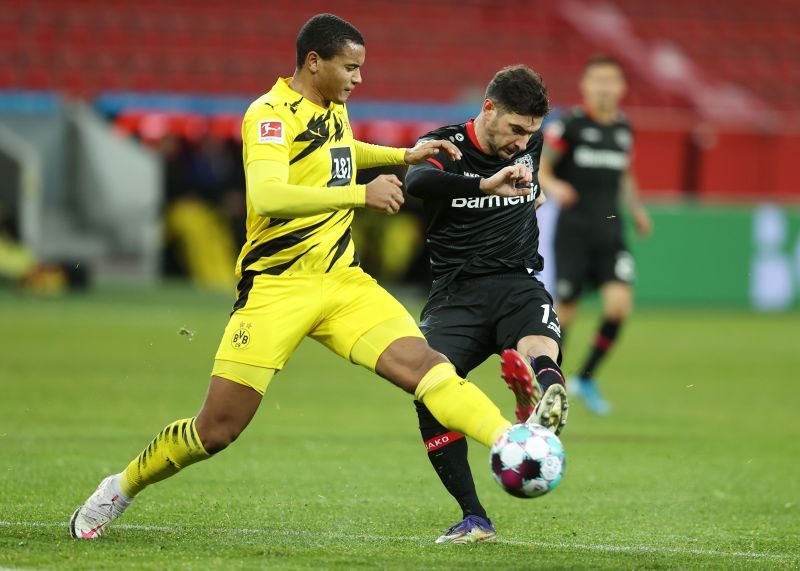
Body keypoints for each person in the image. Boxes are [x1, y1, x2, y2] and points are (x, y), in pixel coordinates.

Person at [69, 13, 519, 539]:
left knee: (429, 368)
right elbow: (269, 194)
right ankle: (119, 488)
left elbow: (336, 154)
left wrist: (402, 155)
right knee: (216, 430)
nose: (357, 79)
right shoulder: (268, 115)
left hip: (342, 281)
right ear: (314, 62)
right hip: (276, 290)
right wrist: (361, 193)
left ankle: (513, 442)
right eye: (350, 68)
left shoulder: (333, 108)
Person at [405, 65, 568, 544]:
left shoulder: (529, 144)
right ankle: (474, 516)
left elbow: (531, 177)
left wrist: (533, 197)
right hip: (456, 294)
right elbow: (417, 183)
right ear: (488, 108)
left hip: (518, 281)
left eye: (531, 133)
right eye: (516, 129)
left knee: (538, 343)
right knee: (429, 389)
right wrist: (485, 185)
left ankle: (543, 396)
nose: (522, 143)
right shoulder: (447, 144)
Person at [538, 55, 652, 414]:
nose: (604, 87)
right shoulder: (569, 125)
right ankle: (549, 387)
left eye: (611, 81)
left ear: (621, 88)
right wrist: (555, 187)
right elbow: (541, 166)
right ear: (585, 86)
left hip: (611, 231)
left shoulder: (623, 128)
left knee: (618, 306)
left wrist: (636, 209)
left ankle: (586, 377)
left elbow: (625, 173)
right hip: (574, 232)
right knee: (566, 312)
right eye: (597, 80)